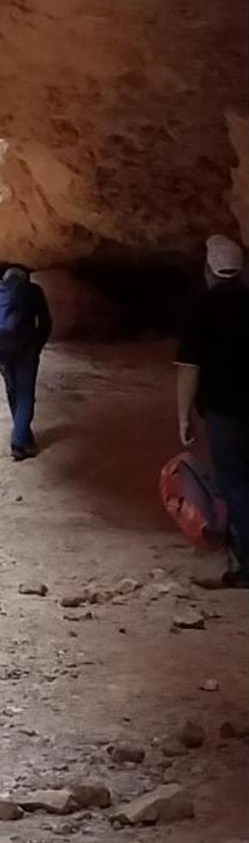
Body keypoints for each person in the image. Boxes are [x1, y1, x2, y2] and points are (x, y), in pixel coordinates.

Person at [176, 234, 249, 586]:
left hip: (223, 408)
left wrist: (183, 416)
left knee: (233, 480)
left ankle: (246, 562)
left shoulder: (201, 308)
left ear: (209, 270)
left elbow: (189, 368)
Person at [0, 264, 53, 460]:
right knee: (25, 393)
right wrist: (37, 345)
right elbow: (45, 322)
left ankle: (25, 438)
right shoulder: (32, 290)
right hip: (25, 347)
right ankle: (18, 441)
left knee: (12, 390)